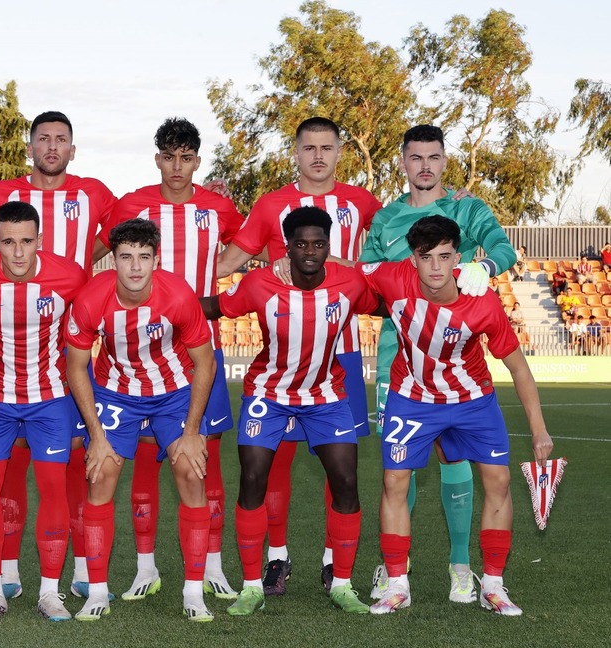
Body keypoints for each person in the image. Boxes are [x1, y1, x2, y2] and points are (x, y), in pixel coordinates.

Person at [213, 116, 383, 596]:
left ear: (339, 151)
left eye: (327, 147)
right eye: (309, 147)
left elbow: (402, 245)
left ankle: (334, 561)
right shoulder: (272, 204)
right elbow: (228, 261)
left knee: (340, 468)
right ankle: (276, 558)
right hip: (283, 356)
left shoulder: (362, 203)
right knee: (274, 464)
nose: (318, 156)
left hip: (341, 353)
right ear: (296, 152)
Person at [361, 215, 553, 616]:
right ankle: (397, 584)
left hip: (472, 400)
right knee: (394, 481)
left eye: (444, 256)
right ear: (412, 259)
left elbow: (518, 367)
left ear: (458, 258)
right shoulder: (393, 278)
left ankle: (494, 585)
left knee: (498, 482)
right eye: (425, 257)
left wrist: (539, 430)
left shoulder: (482, 300)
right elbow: (343, 270)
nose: (435, 267)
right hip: (411, 397)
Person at [359, 124, 517, 605]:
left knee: (457, 462)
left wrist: (482, 268)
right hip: (398, 362)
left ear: (445, 161)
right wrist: (405, 304)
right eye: (415, 158)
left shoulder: (467, 208)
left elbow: (504, 249)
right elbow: (366, 287)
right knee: (397, 467)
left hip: (459, 367)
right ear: (403, 163)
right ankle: (396, 572)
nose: (424, 166)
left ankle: (461, 566)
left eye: (433, 157)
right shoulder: (385, 220)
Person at [0, 111, 117, 600]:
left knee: (71, 471)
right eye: (43, 139)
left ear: (73, 148)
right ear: (29, 147)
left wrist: (80, 266)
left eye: (61, 140)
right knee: (4, 473)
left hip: (62, 370)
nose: (52, 146)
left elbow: (125, 233)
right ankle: (4, 573)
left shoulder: (92, 195)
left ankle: (71, 569)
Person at [98, 118, 243, 601]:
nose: (177, 167)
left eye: (187, 158)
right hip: (140, 352)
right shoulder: (132, 204)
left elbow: (250, 244)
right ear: (157, 158)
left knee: (204, 460)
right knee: (142, 458)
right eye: (169, 156)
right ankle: (145, 568)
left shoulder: (219, 205)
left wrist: (208, 282)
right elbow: (96, 248)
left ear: (197, 161)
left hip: (201, 347)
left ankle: (214, 566)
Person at [65, 219, 217, 622]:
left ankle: (193, 592)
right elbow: (76, 368)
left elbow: (205, 363)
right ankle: (97, 592)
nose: (135, 267)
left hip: (173, 391)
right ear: (112, 259)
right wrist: (96, 436)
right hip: (116, 392)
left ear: (156, 259)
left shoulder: (178, 296)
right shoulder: (91, 299)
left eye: (144, 257)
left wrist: (190, 432)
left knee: (190, 470)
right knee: (101, 473)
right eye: (126, 257)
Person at [0, 201, 88, 622]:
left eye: (26, 241)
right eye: (7, 242)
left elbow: (99, 312)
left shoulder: (69, 275)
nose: (17, 253)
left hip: (50, 399)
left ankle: (50, 593)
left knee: (54, 489)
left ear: (40, 241)